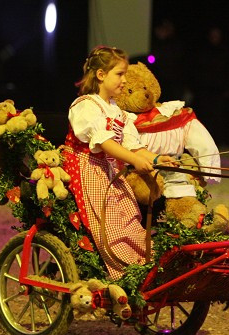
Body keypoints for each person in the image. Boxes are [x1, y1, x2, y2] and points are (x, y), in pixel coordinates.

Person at [62, 45, 170, 279]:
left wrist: (158, 159)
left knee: (130, 218)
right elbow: (105, 143)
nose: (124, 80)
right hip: (89, 170)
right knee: (109, 226)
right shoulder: (86, 106)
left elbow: (134, 146)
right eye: (119, 74)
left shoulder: (119, 113)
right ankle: (124, 274)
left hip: (110, 172)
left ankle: (142, 266)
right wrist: (134, 161)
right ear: (101, 75)